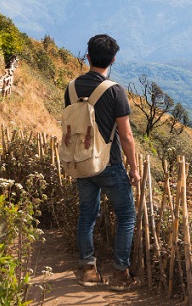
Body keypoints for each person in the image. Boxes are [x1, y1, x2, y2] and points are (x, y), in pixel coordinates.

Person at [67, 34, 140, 291]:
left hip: (82, 161)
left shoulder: (71, 87)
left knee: (87, 214)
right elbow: (126, 135)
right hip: (109, 163)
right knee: (126, 216)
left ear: (87, 57)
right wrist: (134, 168)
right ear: (113, 60)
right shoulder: (115, 90)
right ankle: (120, 275)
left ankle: (87, 269)